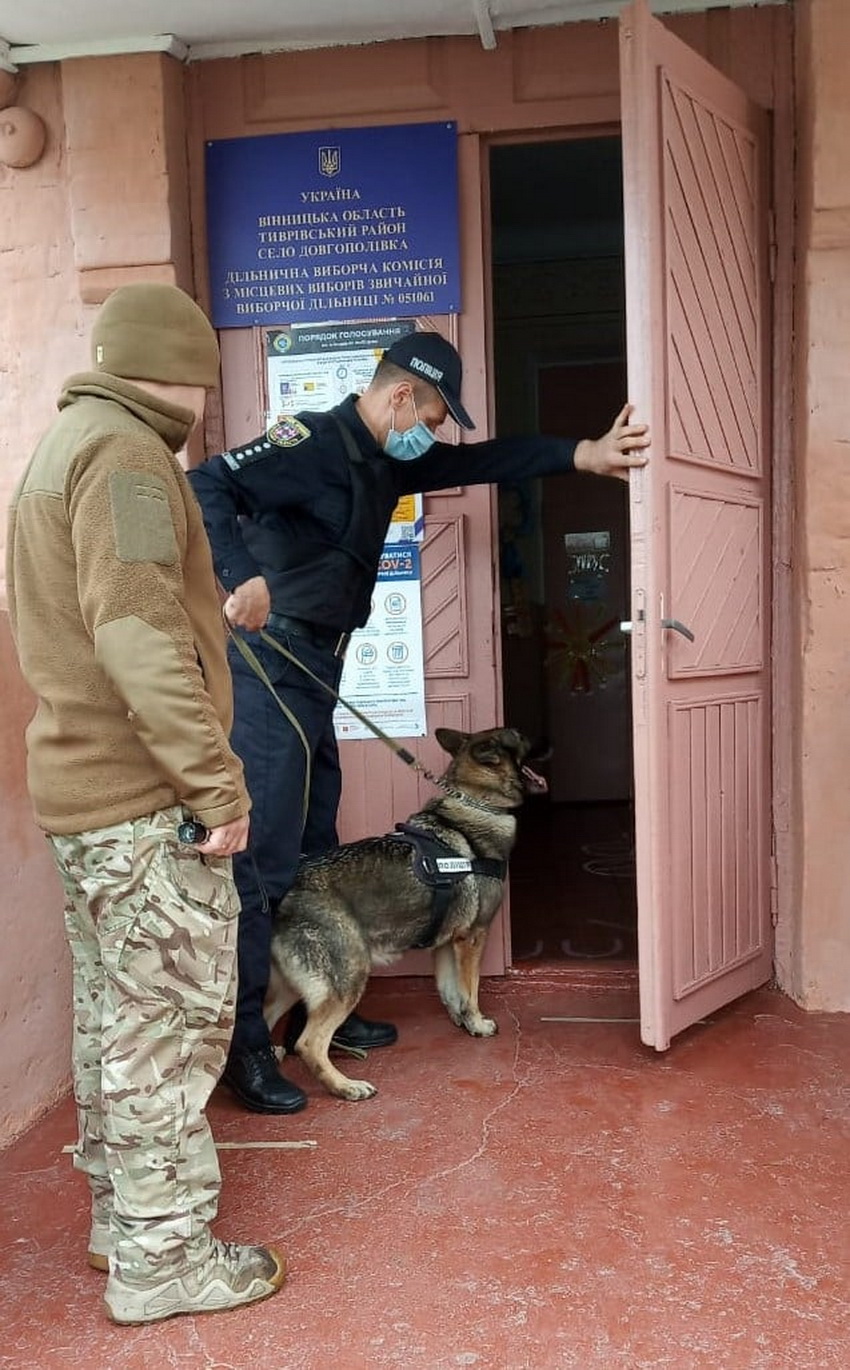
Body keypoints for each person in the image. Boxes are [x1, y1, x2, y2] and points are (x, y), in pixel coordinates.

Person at [189, 330, 650, 1115]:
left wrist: (584, 454)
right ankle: (245, 1049)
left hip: (317, 668)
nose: (434, 433)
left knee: (314, 842)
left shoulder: (387, 459)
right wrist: (244, 578)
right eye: (434, 415)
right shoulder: (312, 444)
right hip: (272, 667)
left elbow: (483, 461)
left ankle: (322, 1001)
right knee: (266, 860)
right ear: (402, 394)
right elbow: (207, 484)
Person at [5, 283, 286, 1325]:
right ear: (182, 373)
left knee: (116, 1020)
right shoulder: (126, 454)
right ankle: (165, 1262)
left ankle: (123, 1222)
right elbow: (128, 632)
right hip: (141, 800)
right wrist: (217, 784)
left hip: (83, 792)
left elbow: (101, 610)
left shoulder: (62, 444)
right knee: (166, 1028)